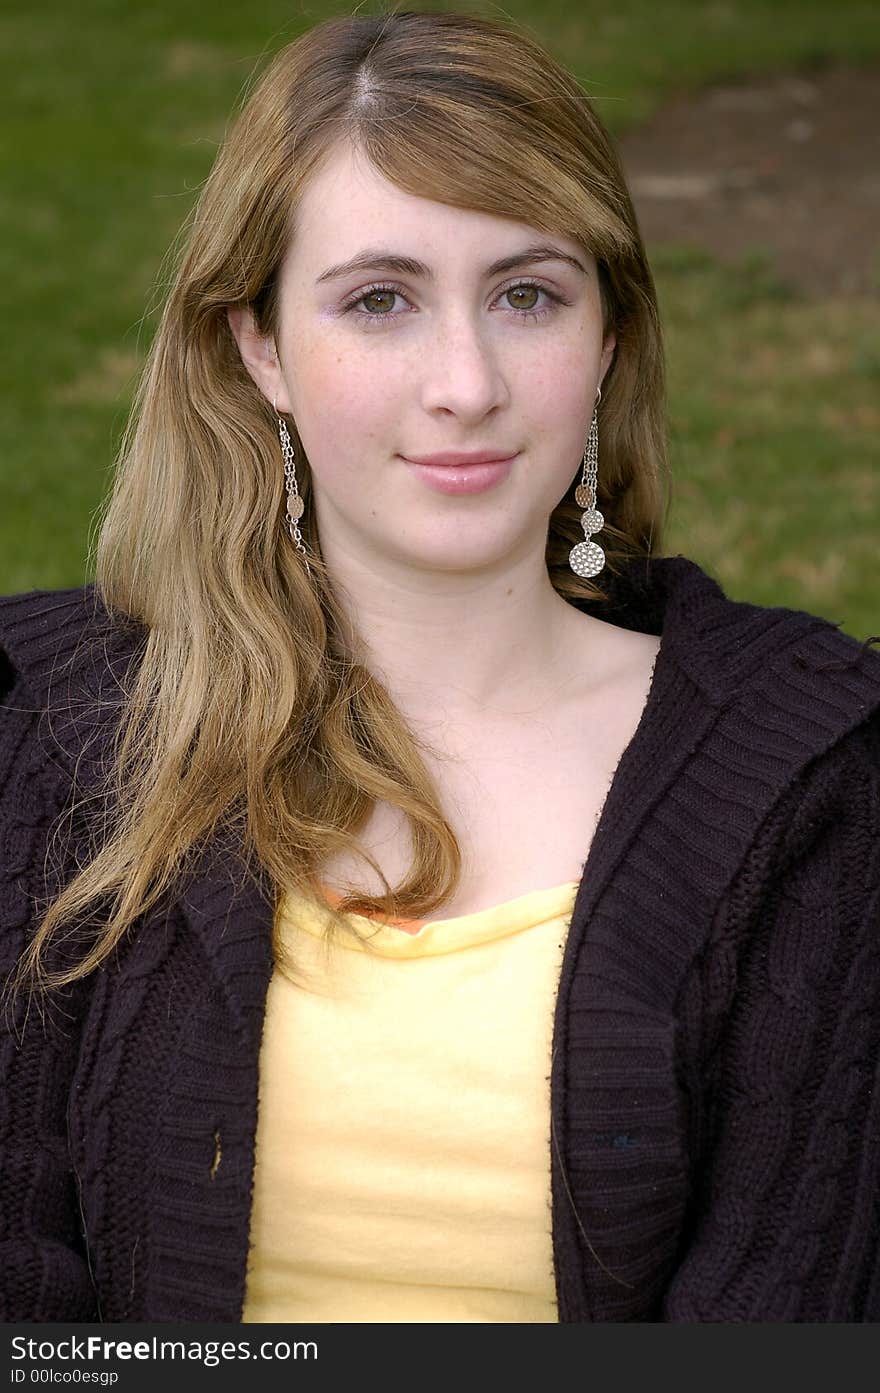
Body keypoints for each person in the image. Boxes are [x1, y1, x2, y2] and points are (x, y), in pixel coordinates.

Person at [1, 9, 879, 1326]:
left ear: (610, 342)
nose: (464, 382)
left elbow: (786, 1315)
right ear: (259, 349)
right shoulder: (45, 728)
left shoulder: (813, 772)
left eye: (528, 295)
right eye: (380, 300)